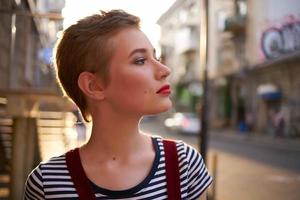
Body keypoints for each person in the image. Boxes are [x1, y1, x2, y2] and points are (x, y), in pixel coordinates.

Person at [24, 10, 212, 199]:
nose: (164, 70)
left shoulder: (184, 164)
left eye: (156, 57)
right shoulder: (46, 184)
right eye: (140, 61)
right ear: (94, 86)